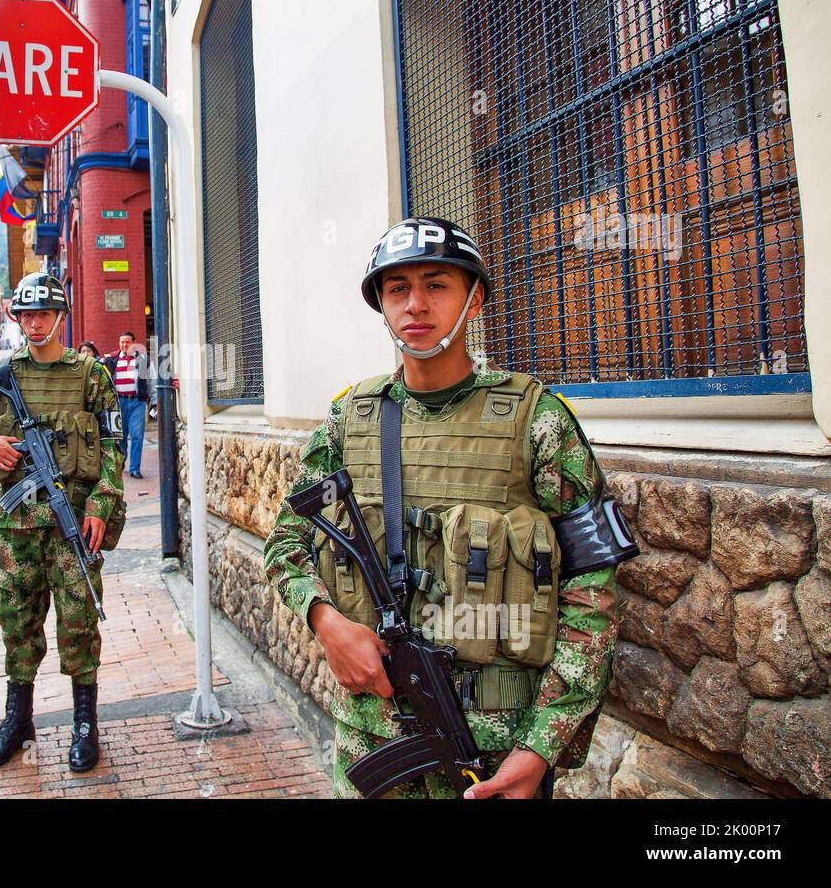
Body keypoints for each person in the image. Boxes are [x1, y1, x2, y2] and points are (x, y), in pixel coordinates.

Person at [263, 217, 634, 799]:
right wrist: (327, 624)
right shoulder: (348, 420)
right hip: (374, 736)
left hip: (498, 749)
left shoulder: (537, 421)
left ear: (475, 298)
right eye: (397, 289)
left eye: (436, 285)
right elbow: (285, 547)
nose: (415, 305)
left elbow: (593, 595)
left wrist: (541, 746)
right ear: (381, 306)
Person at [0, 273, 125, 772]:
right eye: (26, 315)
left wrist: (102, 501)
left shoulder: (91, 375)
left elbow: (113, 445)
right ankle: (18, 721)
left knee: (78, 620)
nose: (35, 324)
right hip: (18, 529)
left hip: (74, 520)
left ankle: (84, 723)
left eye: (43, 315)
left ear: (60, 317)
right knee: (17, 617)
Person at [109, 331, 156, 479]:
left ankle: (134, 468)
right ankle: (121, 462)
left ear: (133, 343)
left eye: (127, 342)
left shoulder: (143, 360)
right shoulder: (113, 360)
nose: (124, 345)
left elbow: (152, 382)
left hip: (137, 402)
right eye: (122, 342)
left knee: (137, 435)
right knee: (120, 437)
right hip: (119, 403)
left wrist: (154, 402)